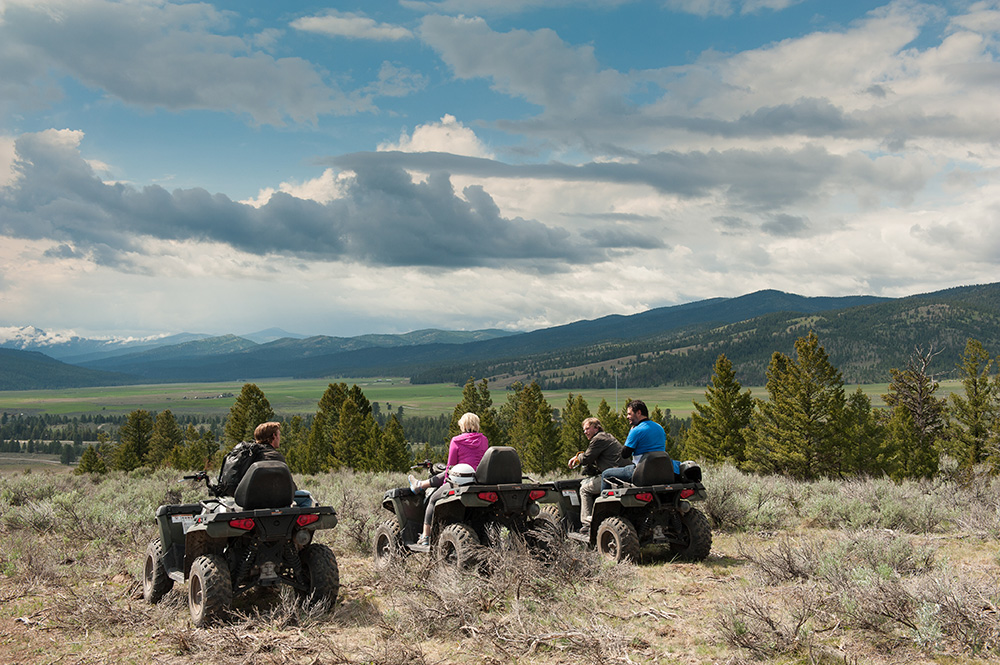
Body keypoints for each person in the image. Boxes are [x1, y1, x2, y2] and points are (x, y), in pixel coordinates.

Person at [410, 412, 490, 546]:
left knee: (433, 500)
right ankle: (419, 485)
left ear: (463, 425)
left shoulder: (456, 441)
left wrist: (446, 482)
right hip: (478, 479)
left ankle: (425, 536)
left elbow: (450, 466)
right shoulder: (484, 440)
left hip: (460, 480)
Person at [568, 417, 623, 535]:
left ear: (596, 428)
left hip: (611, 477)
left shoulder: (598, 439)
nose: (585, 432)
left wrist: (577, 458)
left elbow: (587, 458)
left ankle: (586, 525)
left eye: (587, 428)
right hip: (622, 475)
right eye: (584, 430)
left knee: (584, 488)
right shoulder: (608, 437)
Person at [601, 400, 665, 489]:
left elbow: (625, 454)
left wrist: (630, 433)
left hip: (641, 471)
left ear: (638, 412)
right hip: (660, 470)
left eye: (629, 414)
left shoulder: (636, 430)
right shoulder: (659, 427)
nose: (627, 417)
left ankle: (603, 501)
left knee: (606, 474)